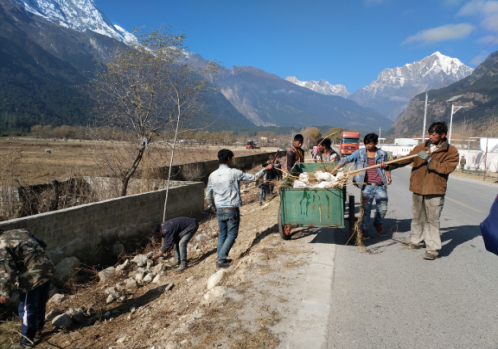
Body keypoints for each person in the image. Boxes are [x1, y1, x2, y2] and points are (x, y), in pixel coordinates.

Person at [388, 122, 459, 260]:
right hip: (418, 188)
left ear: (443, 135)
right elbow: (405, 159)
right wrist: (389, 165)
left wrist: (429, 159)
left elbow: (446, 169)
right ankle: (416, 241)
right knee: (417, 216)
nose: (430, 137)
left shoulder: (451, 151)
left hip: (435, 190)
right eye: (429, 134)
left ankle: (433, 249)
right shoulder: (421, 147)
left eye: (433, 134)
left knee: (432, 220)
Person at [206, 149, 273, 269]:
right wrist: (265, 169)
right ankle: (221, 260)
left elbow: (208, 195)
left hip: (220, 209)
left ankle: (220, 258)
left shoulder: (212, 175)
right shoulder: (234, 172)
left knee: (222, 234)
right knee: (231, 234)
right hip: (231, 208)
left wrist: (212, 207)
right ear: (228, 159)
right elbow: (254, 177)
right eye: (231, 158)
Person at [0, 229, 56, 349]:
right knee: (40, 303)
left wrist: (4, 294)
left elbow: (7, 272)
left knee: (27, 308)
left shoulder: (2, 245)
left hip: (31, 277)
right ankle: (37, 331)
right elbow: (42, 244)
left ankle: (26, 341)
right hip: (46, 268)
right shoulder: (19, 231)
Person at [332, 133, 391, 238]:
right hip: (366, 186)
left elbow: (387, 167)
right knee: (366, 210)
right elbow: (346, 159)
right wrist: (334, 169)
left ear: (376, 143)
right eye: (366, 143)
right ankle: (364, 231)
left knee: (383, 208)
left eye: (370, 144)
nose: (367, 146)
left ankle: (378, 222)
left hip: (379, 185)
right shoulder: (359, 153)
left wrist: (388, 176)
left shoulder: (382, 154)